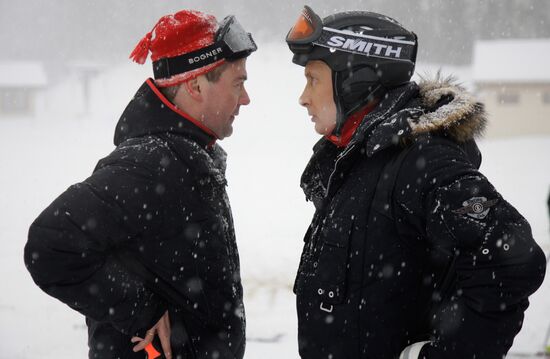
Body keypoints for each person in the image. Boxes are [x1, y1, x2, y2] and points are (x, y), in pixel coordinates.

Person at [286, 6, 546, 359]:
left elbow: (511, 260)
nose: (304, 97)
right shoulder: (358, 160)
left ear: (353, 80)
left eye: (313, 79)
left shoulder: (420, 162)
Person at [24, 9, 256, 359]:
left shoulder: (186, 156)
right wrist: (139, 310)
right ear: (195, 85)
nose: (246, 99)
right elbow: (49, 245)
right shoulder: (148, 165)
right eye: (238, 83)